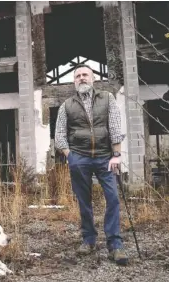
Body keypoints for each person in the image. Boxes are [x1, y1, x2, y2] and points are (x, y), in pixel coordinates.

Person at [54, 64, 128, 265]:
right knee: (84, 200)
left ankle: (115, 244)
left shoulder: (107, 98)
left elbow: (114, 126)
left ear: (93, 78)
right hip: (80, 157)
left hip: (105, 157)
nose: (82, 78)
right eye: (78, 76)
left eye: (85, 74)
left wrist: (116, 155)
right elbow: (59, 135)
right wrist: (71, 156)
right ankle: (89, 239)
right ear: (74, 82)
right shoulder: (66, 105)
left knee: (112, 198)